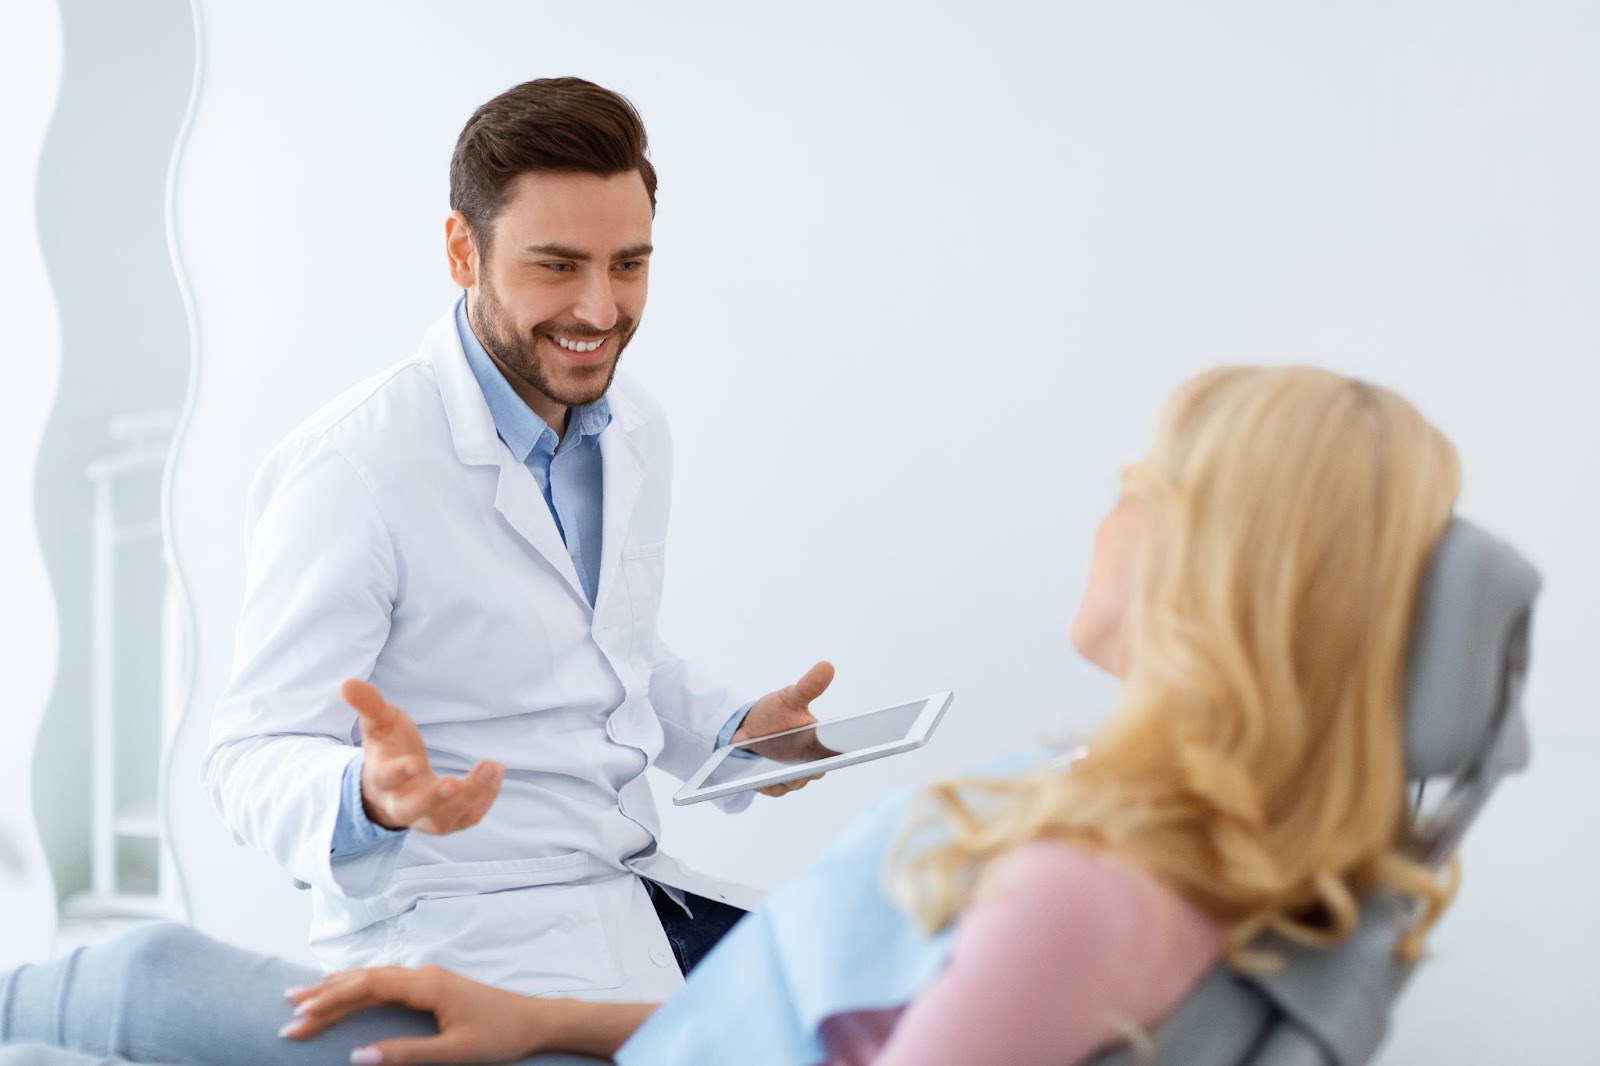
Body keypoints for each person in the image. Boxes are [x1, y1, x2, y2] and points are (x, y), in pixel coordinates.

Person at [0, 365, 1462, 1065]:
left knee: (147, 986)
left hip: (646, 1003)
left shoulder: (1088, 881)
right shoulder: (1147, 828)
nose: (1113, 501)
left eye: (1148, 480)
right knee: (158, 981)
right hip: (635, 1008)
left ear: (1227, 557)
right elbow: (849, 1024)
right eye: (560, 267)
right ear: (467, 252)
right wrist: (539, 1014)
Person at [199, 76, 832, 1003]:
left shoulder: (633, 430)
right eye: (556, 265)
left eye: (628, 264)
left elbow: (607, 652)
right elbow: (250, 754)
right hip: (461, 937)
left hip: (628, 897)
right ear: (463, 250)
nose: (599, 310)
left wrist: (739, 734)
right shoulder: (354, 467)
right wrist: (369, 796)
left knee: (907, 991)